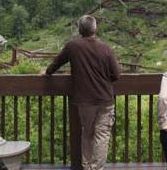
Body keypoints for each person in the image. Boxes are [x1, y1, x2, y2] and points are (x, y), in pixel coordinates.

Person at [44, 15, 120, 170]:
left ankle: (86, 166)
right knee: (102, 136)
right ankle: (97, 168)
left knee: (87, 133)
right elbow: (116, 75)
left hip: (84, 100)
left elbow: (56, 63)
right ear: (95, 29)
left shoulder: (73, 46)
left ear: (80, 30)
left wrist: (47, 72)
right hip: (105, 99)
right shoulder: (106, 48)